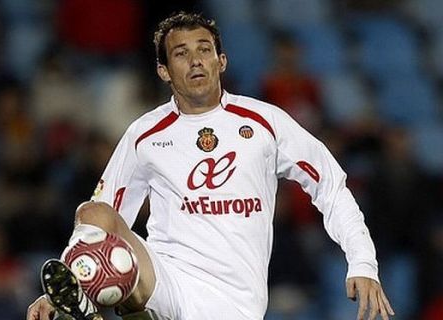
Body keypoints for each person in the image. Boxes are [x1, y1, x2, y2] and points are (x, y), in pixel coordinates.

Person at [27, 11, 395, 320]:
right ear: (164, 71)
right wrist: (64, 287)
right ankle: (77, 303)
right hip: (166, 282)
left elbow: (330, 185)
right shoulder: (145, 134)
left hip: (237, 302)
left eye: (204, 49)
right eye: (181, 53)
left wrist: (363, 262)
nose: (196, 60)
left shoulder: (265, 122)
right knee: (94, 213)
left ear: (222, 61)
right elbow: (107, 214)